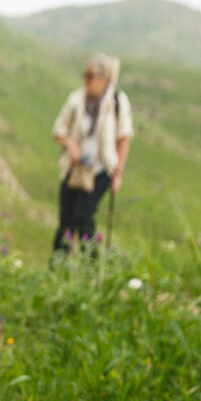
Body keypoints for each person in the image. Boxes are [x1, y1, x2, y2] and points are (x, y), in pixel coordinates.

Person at [50, 53, 133, 255]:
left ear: (104, 79)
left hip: (101, 170)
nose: (86, 80)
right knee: (66, 219)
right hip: (74, 168)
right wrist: (70, 145)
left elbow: (124, 138)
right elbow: (58, 129)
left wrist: (117, 173)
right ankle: (58, 265)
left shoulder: (117, 101)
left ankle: (92, 264)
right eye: (85, 75)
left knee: (83, 217)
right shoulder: (76, 99)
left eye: (91, 76)